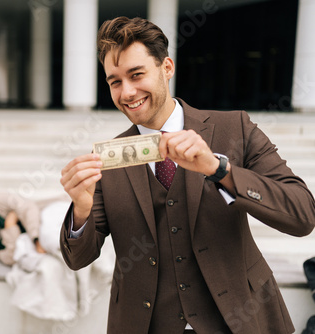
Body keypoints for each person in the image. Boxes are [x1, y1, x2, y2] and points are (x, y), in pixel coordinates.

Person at [59, 16, 315, 334]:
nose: (127, 92)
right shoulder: (107, 159)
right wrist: (81, 209)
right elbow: (77, 259)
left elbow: (303, 215)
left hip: (242, 320)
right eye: (115, 81)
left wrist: (220, 170)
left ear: (167, 68)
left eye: (136, 75)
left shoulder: (234, 127)